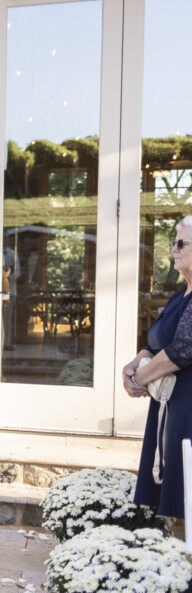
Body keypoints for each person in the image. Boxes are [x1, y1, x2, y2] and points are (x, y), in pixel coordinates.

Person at [129, 215, 192, 528]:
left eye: (181, 243)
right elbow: (158, 341)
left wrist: (140, 378)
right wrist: (134, 363)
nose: (174, 249)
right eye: (173, 243)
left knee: (185, 491)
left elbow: (182, 350)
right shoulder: (180, 295)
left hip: (188, 409)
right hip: (171, 404)